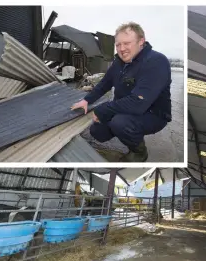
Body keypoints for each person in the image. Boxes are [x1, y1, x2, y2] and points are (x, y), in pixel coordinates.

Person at [71, 22, 172, 162]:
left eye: (127, 43)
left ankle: (139, 152)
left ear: (141, 41)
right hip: (125, 108)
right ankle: (128, 131)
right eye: (118, 44)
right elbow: (105, 83)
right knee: (97, 131)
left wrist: (103, 110)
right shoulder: (119, 62)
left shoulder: (156, 62)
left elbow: (138, 103)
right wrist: (87, 100)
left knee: (120, 123)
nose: (121, 49)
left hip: (152, 114)